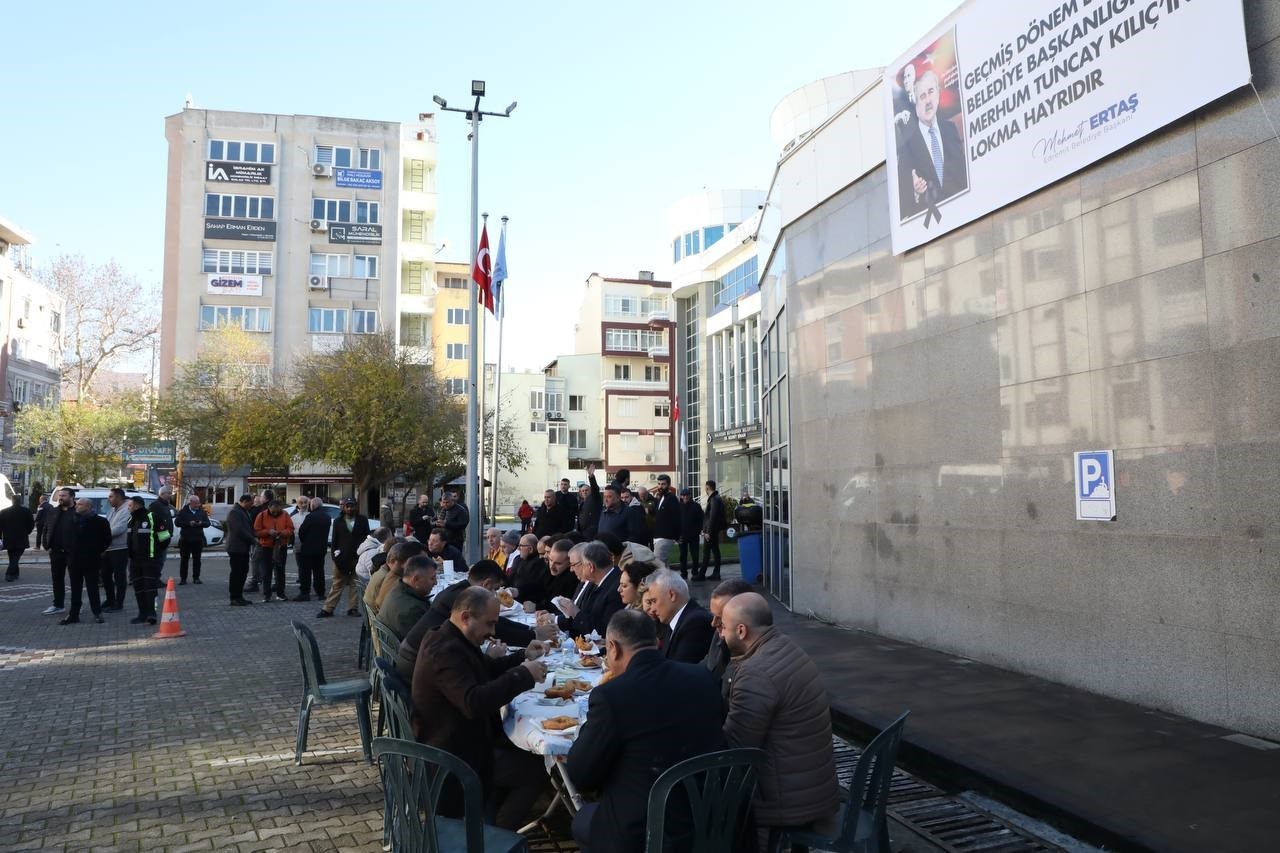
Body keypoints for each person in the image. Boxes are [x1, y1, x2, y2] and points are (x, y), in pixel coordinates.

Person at [566, 609, 729, 853]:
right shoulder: (702, 677)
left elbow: (580, 774)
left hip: (647, 829)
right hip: (711, 817)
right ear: (656, 643)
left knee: (583, 820)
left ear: (613, 647)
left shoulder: (612, 696)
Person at [411, 587, 550, 829]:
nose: (493, 632)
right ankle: (493, 836)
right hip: (453, 759)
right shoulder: (445, 650)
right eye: (489, 624)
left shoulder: (450, 636)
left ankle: (490, 816)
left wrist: (521, 658)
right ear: (466, 617)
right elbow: (473, 702)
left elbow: (482, 668)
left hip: (461, 742)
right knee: (536, 771)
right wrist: (522, 675)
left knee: (526, 751)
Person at [720, 592, 842, 843]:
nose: (720, 634)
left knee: (702, 811)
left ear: (741, 630)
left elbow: (735, 749)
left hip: (787, 802)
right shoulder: (786, 646)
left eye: (722, 626)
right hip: (814, 789)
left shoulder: (757, 672)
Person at [397, 560, 537, 680]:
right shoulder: (467, 600)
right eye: (494, 590)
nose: (495, 595)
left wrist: (529, 630)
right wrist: (533, 636)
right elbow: (474, 696)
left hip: (410, 659)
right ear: (486, 584)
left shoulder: (459, 590)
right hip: (413, 667)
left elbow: (495, 623)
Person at [896, 67, 967, 219]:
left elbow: (962, 172)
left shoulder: (950, 129)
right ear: (915, 105)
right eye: (922, 96)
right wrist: (915, 190)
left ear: (938, 94)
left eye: (931, 92)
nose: (928, 101)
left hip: (961, 213)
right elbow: (903, 202)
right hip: (932, 225)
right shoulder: (907, 147)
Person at [554, 540, 623, 637]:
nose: (572, 569)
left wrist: (576, 613)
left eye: (582, 565)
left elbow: (604, 631)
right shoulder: (599, 581)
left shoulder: (616, 588)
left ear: (590, 567)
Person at [646, 568, 714, 664]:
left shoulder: (696, 623)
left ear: (672, 595)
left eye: (654, 601)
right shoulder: (675, 621)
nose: (652, 609)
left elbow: (678, 671)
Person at [64, 498, 112, 625]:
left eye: (80, 504)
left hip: (92, 560)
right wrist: (69, 551)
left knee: (92, 588)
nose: (76, 506)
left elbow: (107, 540)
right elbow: (66, 538)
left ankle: (97, 613)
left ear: (88, 507)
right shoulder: (72, 520)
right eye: (77, 504)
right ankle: (73, 615)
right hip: (74, 560)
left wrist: (96, 550)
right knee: (75, 589)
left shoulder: (100, 521)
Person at [319, 497, 369, 617]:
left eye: (352, 506)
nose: (350, 508)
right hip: (341, 558)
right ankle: (328, 608)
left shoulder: (362, 520)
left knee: (355, 584)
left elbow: (367, 538)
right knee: (337, 585)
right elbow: (334, 541)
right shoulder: (338, 521)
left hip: (358, 557)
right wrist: (334, 557)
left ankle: (353, 608)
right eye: (348, 506)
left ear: (356, 506)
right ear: (344, 507)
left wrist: (364, 554)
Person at [700, 579, 754, 691]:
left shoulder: (756, 669)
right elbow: (705, 667)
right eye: (713, 615)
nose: (713, 623)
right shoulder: (720, 634)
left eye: (720, 618)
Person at [375, 553, 439, 640]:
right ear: (415, 579)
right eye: (432, 578)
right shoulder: (413, 610)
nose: (436, 583)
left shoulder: (397, 589)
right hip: (405, 651)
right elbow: (429, 643)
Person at [126, 495, 168, 625]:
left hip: (150, 560)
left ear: (137, 505)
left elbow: (165, 537)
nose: (128, 508)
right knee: (138, 587)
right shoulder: (131, 519)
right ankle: (142, 614)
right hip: (135, 561)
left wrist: (155, 553)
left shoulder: (152, 517)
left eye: (130, 505)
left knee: (150, 588)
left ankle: (152, 613)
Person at [363, 539, 424, 615]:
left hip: (378, 618)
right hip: (381, 619)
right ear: (393, 561)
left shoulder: (384, 570)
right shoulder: (389, 578)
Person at [40, 488, 76, 615]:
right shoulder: (53, 511)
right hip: (56, 551)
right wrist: (46, 544)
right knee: (57, 579)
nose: (60, 498)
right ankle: (58, 605)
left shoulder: (78, 511)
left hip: (73, 552)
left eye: (64, 495)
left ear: (72, 497)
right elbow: (46, 528)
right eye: (60, 495)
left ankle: (76, 606)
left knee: (75, 579)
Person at [252, 500, 293, 602]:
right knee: (266, 571)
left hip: (281, 546)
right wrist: (268, 532)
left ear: (280, 508)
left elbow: (290, 529)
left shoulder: (285, 514)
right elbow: (256, 531)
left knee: (280, 570)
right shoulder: (261, 515)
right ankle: (267, 594)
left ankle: (280, 593)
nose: (275, 513)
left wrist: (282, 533)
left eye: (277, 511)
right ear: (269, 508)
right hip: (266, 546)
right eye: (273, 511)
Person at [294, 497, 330, 601]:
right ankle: (320, 593)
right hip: (321, 549)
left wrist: (305, 541)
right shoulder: (327, 517)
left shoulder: (310, 517)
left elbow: (302, 531)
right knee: (319, 572)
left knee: (306, 572)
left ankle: (305, 593)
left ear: (313, 506)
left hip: (308, 549)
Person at [101, 488, 131, 611]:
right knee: (105, 576)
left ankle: (119, 603)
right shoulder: (112, 510)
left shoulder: (126, 510)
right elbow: (106, 525)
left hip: (120, 548)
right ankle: (110, 599)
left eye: (111, 497)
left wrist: (101, 534)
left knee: (119, 577)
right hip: (108, 548)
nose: (109, 499)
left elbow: (119, 529)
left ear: (118, 497)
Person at [225, 494, 255, 606]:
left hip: (243, 547)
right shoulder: (235, 512)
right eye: (251, 503)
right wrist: (253, 540)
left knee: (243, 572)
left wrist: (254, 536)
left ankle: (239, 596)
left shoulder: (243, 511)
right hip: (236, 548)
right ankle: (234, 597)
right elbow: (239, 530)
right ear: (245, 501)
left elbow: (248, 528)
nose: (252, 505)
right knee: (237, 573)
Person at [174, 495, 210, 585]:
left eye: (198, 503)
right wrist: (188, 523)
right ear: (190, 502)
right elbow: (177, 522)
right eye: (196, 503)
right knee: (184, 560)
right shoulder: (183, 511)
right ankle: (183, 579)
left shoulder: (202, 512)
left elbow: (208, 523)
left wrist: (201, 523)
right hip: (185, 539)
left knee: (197, 560)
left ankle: (196, 578)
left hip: (198, 539)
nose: (198, 505)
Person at [540, 538, 581, 612]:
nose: (552, 566)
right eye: (551, 560)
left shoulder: (573, 580)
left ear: (570, 563)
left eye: (558, 563)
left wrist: (536, 606)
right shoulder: (547, 570)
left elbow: (560, 607)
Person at [0, 493, 34, 582]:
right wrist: (27, 532)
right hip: (21, 538)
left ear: (12, 500)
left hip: (8, 538)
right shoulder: (26, 511)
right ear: (20, 500)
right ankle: (9, 574)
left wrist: (0, 537)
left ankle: (15, 574)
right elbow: (31, 524)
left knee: (12, 557)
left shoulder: (3, 511)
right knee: (15, 557)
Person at [508, 533, 550, 604]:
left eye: (521, 546)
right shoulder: (519, 559)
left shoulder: (539, 563)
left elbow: (534, 586)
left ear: (530, 549)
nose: (518, 548)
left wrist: (517, 591)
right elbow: (511, 578)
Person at [651, 475, 680, 570]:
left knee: (657, 564)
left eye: (663, 484)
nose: (660, 486)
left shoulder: (672, 499)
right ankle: (669, 584)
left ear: (668, 485)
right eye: (659, 484)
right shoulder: (660, 498)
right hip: (658, 536)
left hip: (666, 537)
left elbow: (676, 518)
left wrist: (677, 536)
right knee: (664, 566)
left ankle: (656, 584)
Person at [700, 480, 726, 582]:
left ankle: (702, 574)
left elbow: (712, 517)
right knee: (715, 551)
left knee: (706, 552)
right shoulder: (715, 498)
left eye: (705, 488)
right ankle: (716, 573)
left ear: (707, 487)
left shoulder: (714, 499)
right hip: (713, 530)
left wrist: (708, 532)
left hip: (711, 531)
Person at [150, 486, 176, 580]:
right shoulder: (155, 505)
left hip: (166, 535)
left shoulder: (166, 505)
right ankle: (155, 579)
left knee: (162, 559)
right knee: (158, 559)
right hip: (159, 536)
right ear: (162, 494)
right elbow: (152, 521)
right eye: (168, 493)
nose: (170, 495)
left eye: (170, 493)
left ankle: (157, 577)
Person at [678, 488, 704, 580]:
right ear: (681, 496)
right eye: (683, 495)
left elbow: (701, 519)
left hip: (693, 535)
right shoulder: (678, 506)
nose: (685, 497)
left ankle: (695, 572)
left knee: (695, 555)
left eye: (687, 495)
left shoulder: (696, 506)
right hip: (682, 535)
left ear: (690, 496)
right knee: (682, 556)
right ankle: (683, 573)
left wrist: (699, 530)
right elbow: (675, 521)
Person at [576, 463, 602, 538]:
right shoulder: (581, 503)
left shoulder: (594, 498)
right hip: (582, 534)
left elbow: (595, 488)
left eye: (586, 490)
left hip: (592, 534)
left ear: (590, 491)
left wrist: (591, 476)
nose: (584, 492)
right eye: (582, 491)